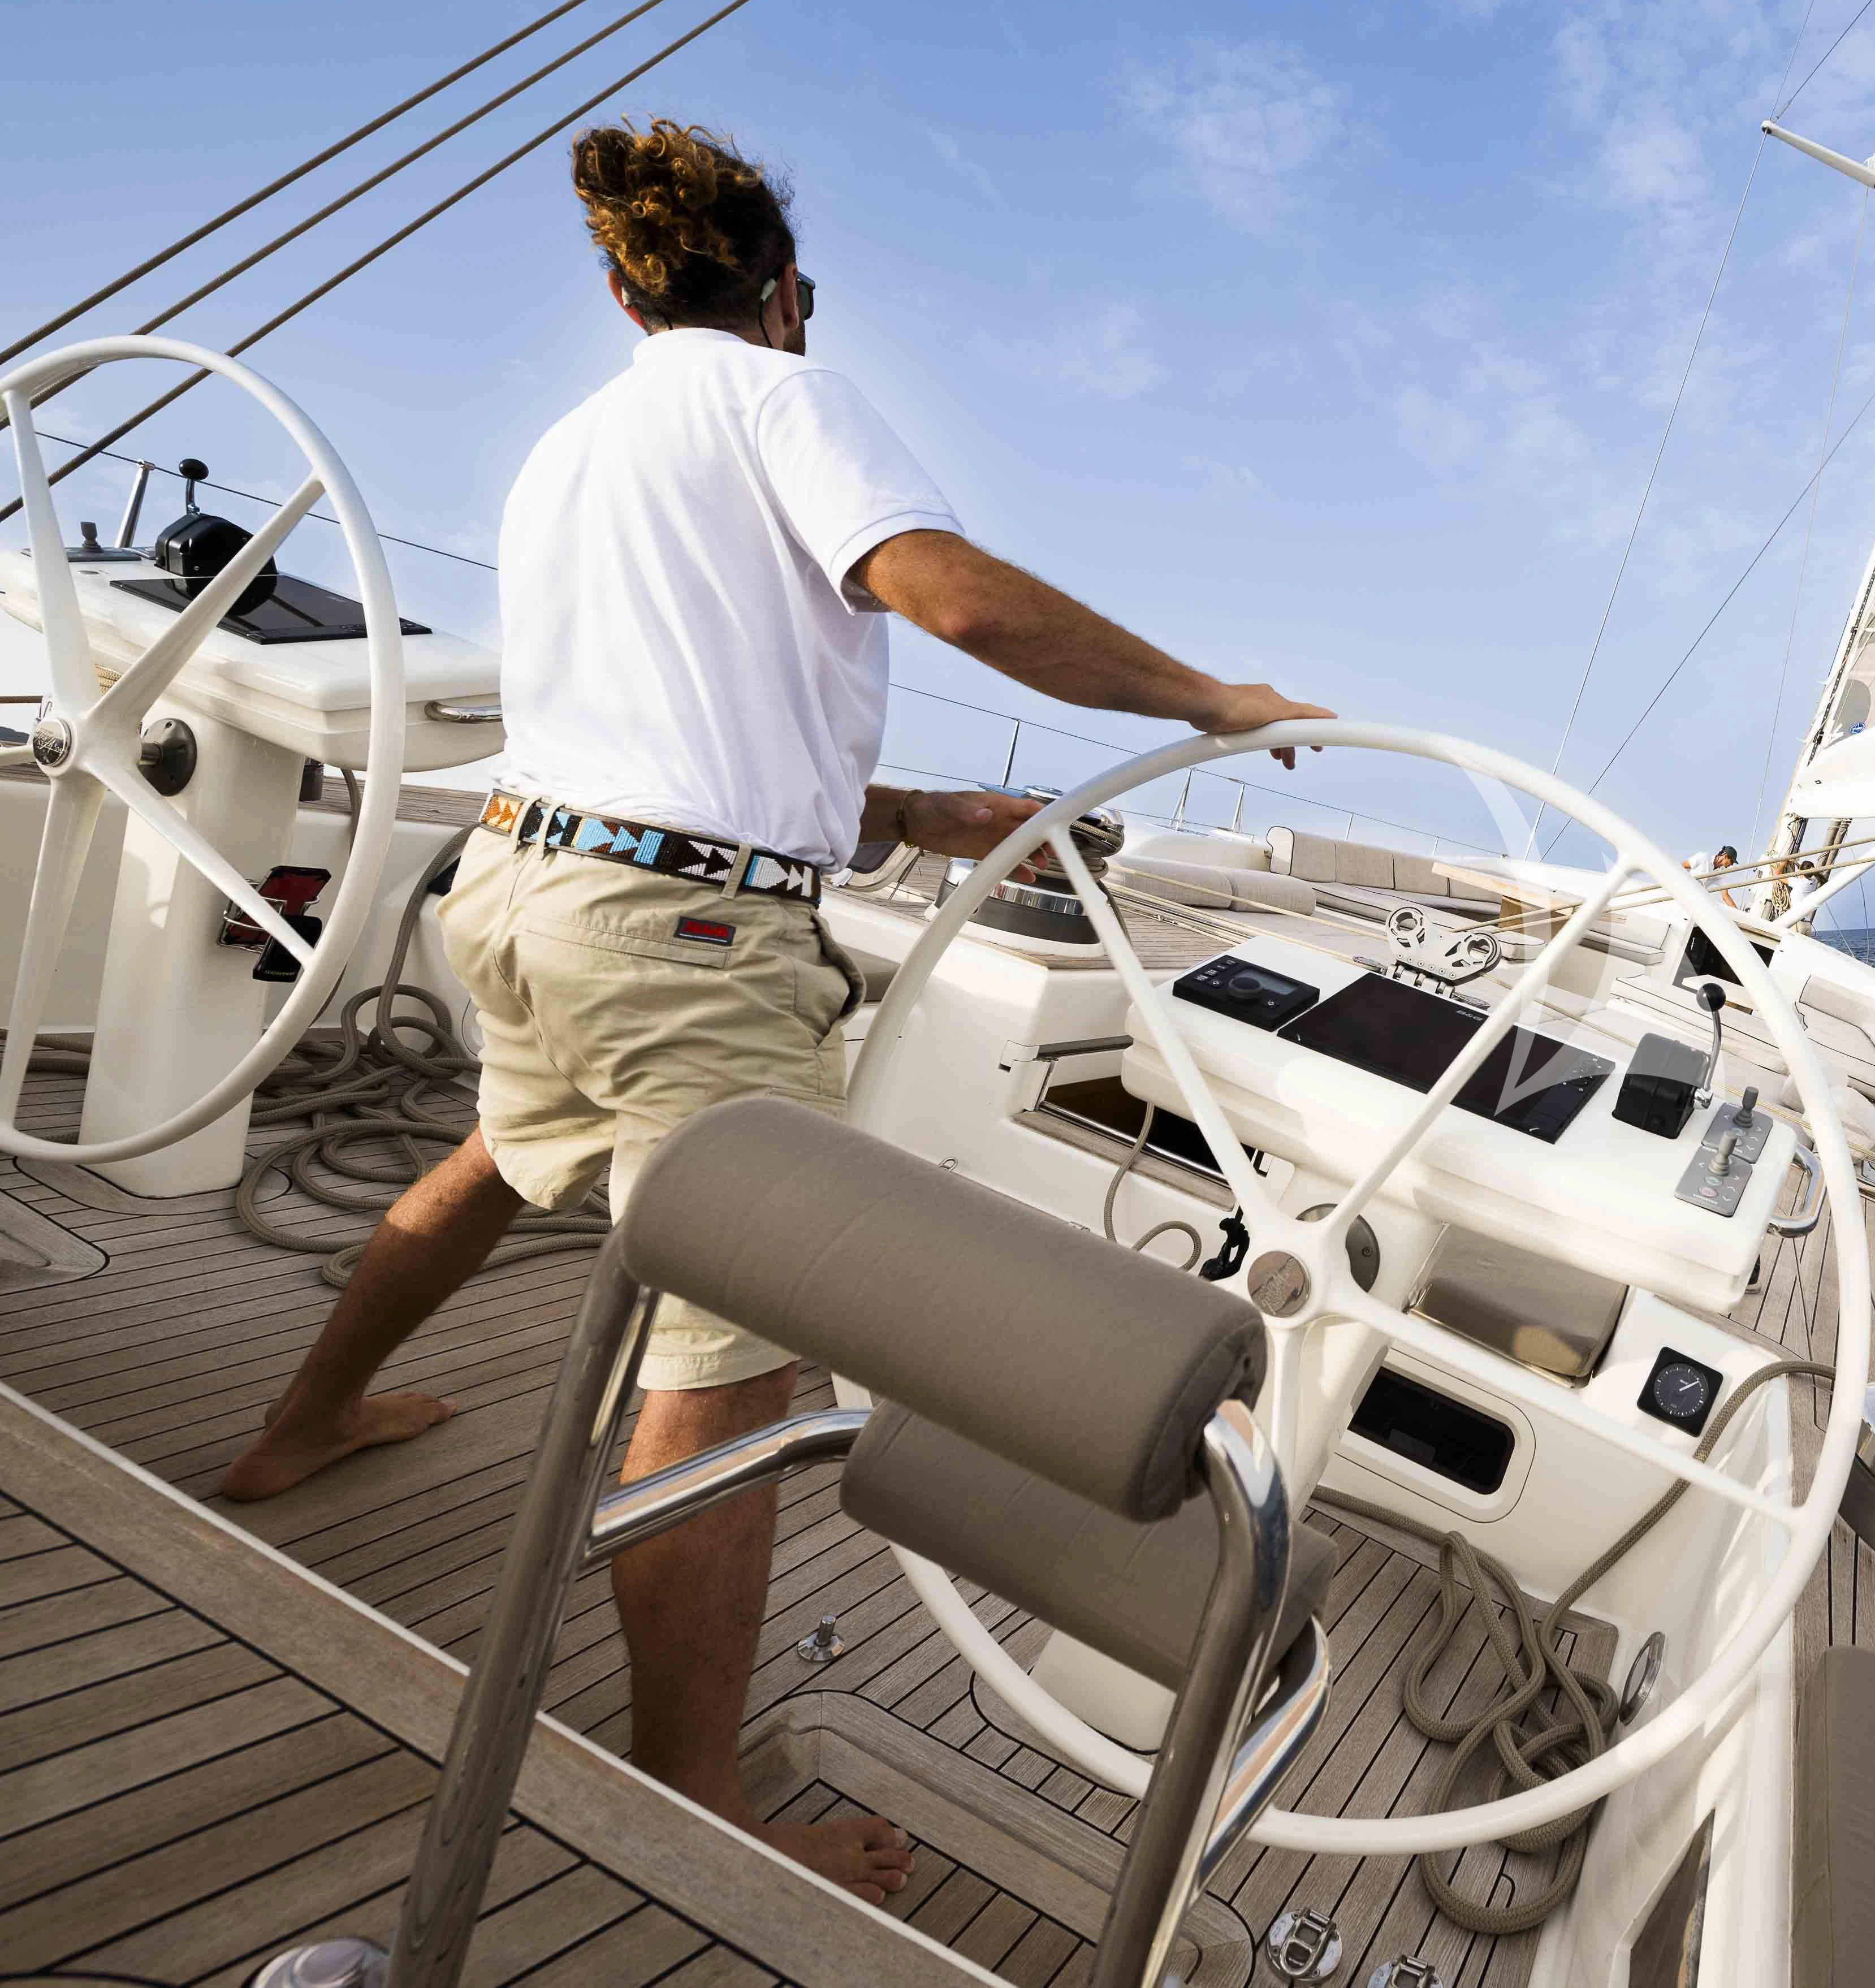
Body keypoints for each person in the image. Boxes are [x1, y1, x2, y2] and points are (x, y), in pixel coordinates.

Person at [220, 120, 1330, 1900]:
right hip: (688, 947)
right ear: (785, 296)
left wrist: (907, 815)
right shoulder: (779, 397)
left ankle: (304, 1422)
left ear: (619, 290)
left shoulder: (571, 453)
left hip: (523, 888)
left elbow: (660, 730)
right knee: (728, 1362)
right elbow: (944, 592)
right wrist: (1204, 694)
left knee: (499, 1154)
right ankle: (692, 1806)